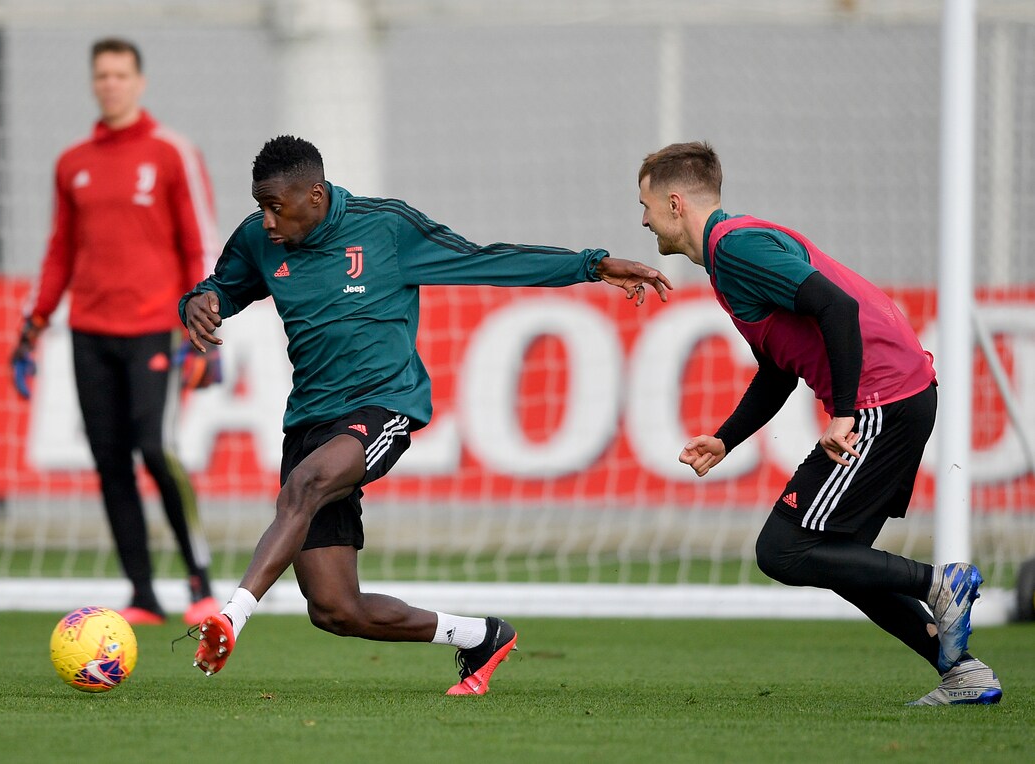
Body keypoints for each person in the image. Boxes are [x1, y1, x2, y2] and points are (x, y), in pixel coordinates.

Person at [180, 135, 672, 695]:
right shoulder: (258, 239)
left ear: (315, 195)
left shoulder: (386, 228)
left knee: (306, 484)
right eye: (260, 206)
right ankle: (480, 636)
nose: (267, 220)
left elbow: (485, 259)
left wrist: (591, 265)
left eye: (276, 207)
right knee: (335, 608)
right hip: (309, 422)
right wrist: (198, 301)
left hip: (382, 406)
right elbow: (221, 288)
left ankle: (232, 616)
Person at [638, 141, 1001, 706]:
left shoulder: (735, 249)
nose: (643, 220)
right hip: (899, 396)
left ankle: (940, 583)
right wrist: (727, 438)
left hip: (882, 399)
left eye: (645, 205)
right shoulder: (735, 247)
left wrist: (846, 412)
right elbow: (778, 370)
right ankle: (965, 675)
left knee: (781, 549)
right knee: (843, 560)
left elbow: (837, 306)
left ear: (675, 203)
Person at [11, 37, 221, 627]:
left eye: (120, 74)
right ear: (93, 82)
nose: (111, 84)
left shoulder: (172, 152)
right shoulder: (71, 162)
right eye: (102, 75)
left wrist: (206, 326)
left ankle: (200, 581)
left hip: (156, 329)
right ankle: (142, 594)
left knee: (156, 449)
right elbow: (59, 250)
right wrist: (33, 325)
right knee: (109, 461)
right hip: (88, 332)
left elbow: (200, 243)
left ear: (139, 82)